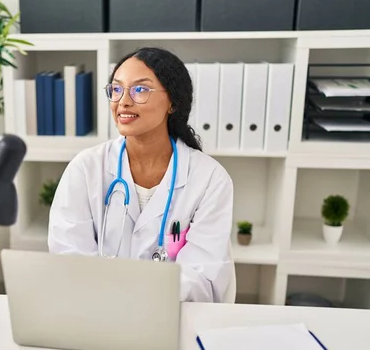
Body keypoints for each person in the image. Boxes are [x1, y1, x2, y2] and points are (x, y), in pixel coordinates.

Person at [47, 47, 234, 303]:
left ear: (173, 102)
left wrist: (133, 295)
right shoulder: (86, 168)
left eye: (140, 90)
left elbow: (202, 276)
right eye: (116, 89)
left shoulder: (210, 179)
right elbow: (68, 258)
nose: (123, 101)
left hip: (172, 316)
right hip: (98, 314)